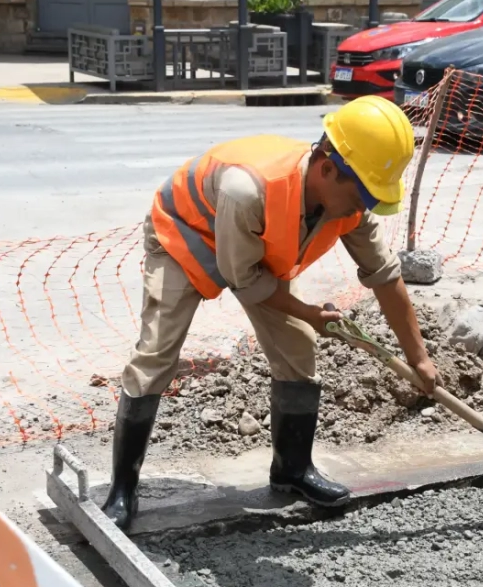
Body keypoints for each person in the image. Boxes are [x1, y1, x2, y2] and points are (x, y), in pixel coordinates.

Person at [102, 95, 442, 530]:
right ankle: (123, 491)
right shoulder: (250, 188)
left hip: (252, 247)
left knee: (297, 350)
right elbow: (243, 280)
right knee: (156, 354)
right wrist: (308, 311)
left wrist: (418, 358)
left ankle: (292, 471)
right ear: (326, 167)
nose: (364, 208)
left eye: (373, 198)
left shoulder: (350, 205)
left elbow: (385, 275)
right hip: (186, 234)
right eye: (361, 195)